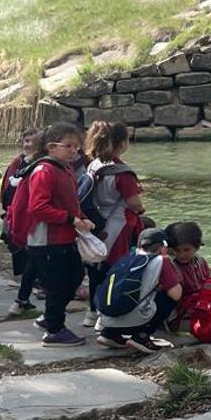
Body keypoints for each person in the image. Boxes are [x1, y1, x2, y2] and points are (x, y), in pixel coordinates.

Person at [23, 123, 94, 347]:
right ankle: (55, 330)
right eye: (69, 146)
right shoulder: (43, 171)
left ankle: (50, 318)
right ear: (51, 147)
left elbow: (69, 202)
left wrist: (81, 217)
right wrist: (71, 219)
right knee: (57, 284)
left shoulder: (65, 169)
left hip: (64, 237)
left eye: (77, 147)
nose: (74, 151)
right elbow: (38, 208)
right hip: (46, 240)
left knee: (74, 276)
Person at [84, 120, 144, 329]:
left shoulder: (93, 165)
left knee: (95, 269)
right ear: (121, 143)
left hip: (96, 222)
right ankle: (105, 314)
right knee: (114, 270)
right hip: (118, 225)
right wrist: (141, 209)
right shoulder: (122, 171)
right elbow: (133, 202)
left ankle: (91, 312)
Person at [96, 227, 181, 354]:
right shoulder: (161, 261)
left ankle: (109, 334)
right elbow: (176, 294)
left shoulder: (125, 259)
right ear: (163, 246)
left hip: (106, 319)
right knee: (167, 297)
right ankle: (141, 336)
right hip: (135, 322)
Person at [2, 127, 39, 316]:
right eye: (26, 141)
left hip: (26, 215)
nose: (29, 144)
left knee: (32, 258)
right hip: (21, 215)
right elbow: (7, 191)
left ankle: (23, 298)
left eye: (33, 141)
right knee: (27, 256)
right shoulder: (18, 163)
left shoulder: (38, 163)